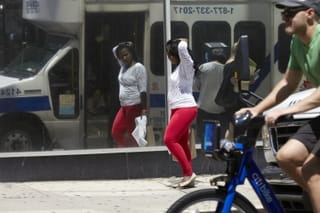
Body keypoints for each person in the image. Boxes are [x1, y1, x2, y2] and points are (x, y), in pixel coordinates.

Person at [236, 1, 320, 212]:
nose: (284, 18)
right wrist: (257, 109)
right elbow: (288, 83)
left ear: (310, 13)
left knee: (311, 171)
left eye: (290, 13)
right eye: (283, 13)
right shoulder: (297, 43)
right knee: (285, 157)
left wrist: (286, 110)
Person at [164, 38, 198, 188]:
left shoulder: (186, 67)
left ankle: (189, 173)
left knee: (169, 139)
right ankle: (187, 175)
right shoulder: (179, 68)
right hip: (177, 108)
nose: (167, 56)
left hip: (185, 108)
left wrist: (180, 42)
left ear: (174, 54)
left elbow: (183, 47)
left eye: (168, 53)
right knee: (182, 142)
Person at [111, 41, 148, 147]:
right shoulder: (123, 66)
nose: (124, 58)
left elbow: (143, 90)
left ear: (132, 53)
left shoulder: (138, 67)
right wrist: (123, 44)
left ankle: (135, 157)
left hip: (134, 106)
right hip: (123, 107)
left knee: (134, 136)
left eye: (126, 54)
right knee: (116, 132)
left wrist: (144, 109)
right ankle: (125, 152)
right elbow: (114, 50)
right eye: (121, 56)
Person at [194, 45, 229, 142]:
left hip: (204, 109)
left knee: (204, 138)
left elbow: (197, 86)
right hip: (221, 110)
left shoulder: (203, 67)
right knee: (220, 140)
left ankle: (204, 156)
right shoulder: (227, 70)